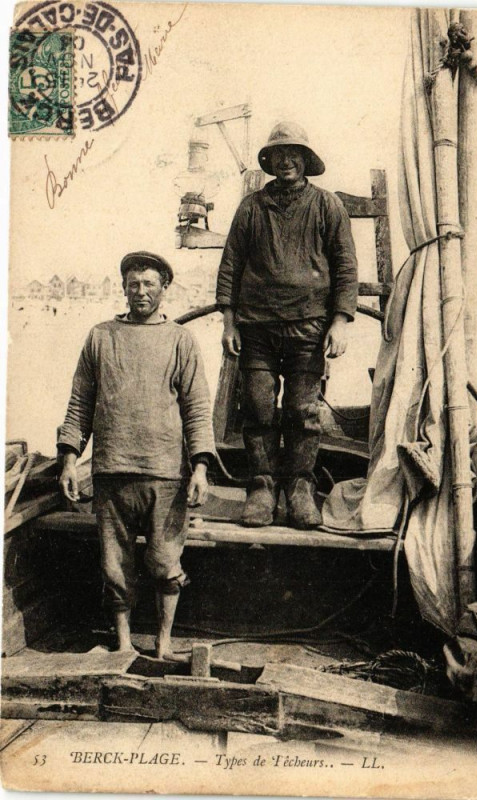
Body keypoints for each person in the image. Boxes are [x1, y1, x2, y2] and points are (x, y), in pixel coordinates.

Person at [58, 251, 215, 658]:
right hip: (111, 472)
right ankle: (124, 645)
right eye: (133, 284)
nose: (140, 291)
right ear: (124, 288)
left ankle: (163, 645)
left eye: (149, 284)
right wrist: (70, 460)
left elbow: (197, 408)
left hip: (165, 474)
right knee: (115, 568)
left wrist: (199, 467)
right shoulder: (100, 337)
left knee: (165, 563)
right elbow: (80, 404)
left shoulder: (180, 339)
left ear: (164, 287)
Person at [216, 122, 358, 529]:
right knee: (259, 407)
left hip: (308, 328)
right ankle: (261, 486)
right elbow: (230, 264)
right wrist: (229, 321)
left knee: (301, 410)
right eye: (279, 154)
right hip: (256, 327)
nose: (286, 160)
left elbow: (346, 266)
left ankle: (299, 487)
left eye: (294, 153)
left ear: (306, 160)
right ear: (270, 161)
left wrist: (341, 321)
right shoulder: (251, 207)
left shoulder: (326, 205)